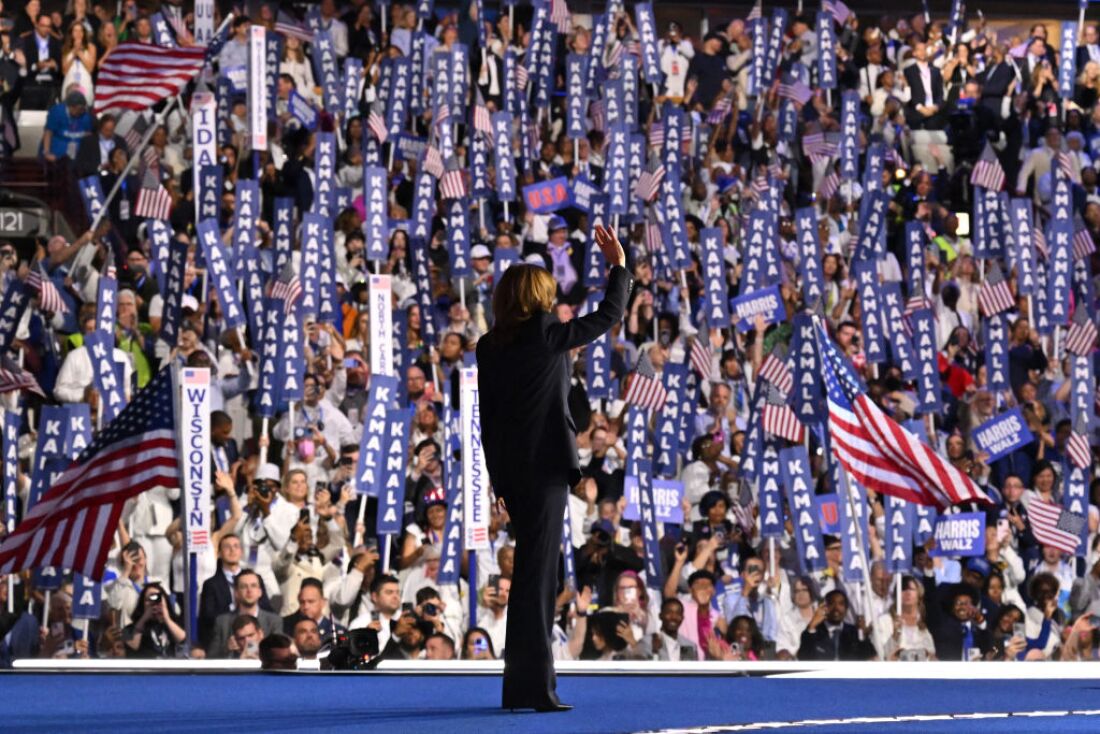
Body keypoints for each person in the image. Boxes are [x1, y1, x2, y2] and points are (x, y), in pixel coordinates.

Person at [477, 224, 631, 712]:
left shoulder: (489, 345)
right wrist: (619, 267)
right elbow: (608, 314)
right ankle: (534, 689)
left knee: (536, 577)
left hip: (516, 476)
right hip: (544, 474)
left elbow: (490, 420)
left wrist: (498, 481)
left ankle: (520, 686)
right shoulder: (546, 333)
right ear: (537, 297)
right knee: (536, 581)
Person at [797, 590, 876, 661]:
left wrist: (864, 636)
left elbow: (869, 656)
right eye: (831, 603)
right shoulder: (814, 631)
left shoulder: (854, 632)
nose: (836, 608)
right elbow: (803, 657)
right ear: (825, 607)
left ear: (846, 608)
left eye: (841, 604)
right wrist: (812, 626)